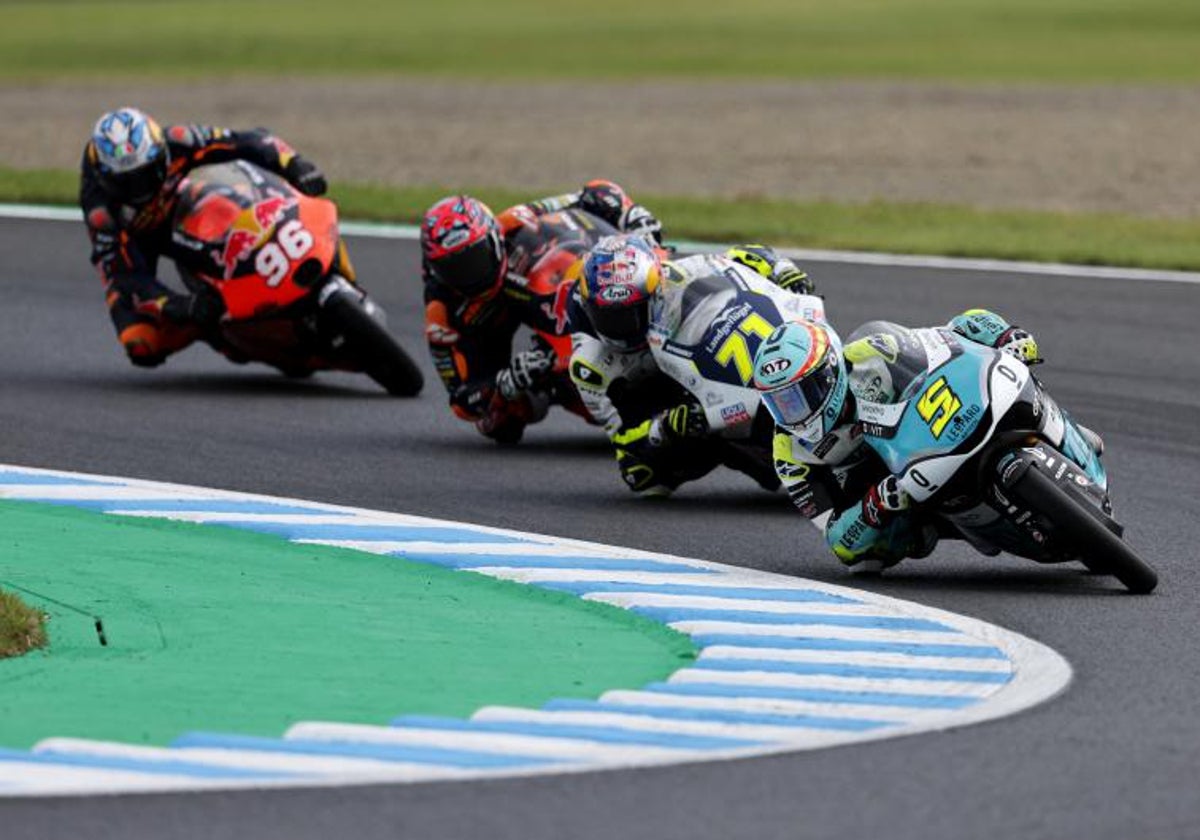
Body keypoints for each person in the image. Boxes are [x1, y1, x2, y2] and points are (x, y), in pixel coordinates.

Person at [751, 309, 1103, 571]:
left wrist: (1000, 339)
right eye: (779, 402)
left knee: (968, 324)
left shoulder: (872, 352)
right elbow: (838, 540)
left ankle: (1063, 427)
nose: (793, 412)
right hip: (898, 494)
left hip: (927, 432)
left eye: (799, 395)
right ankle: (964, 521)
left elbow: (941, 341)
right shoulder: (789, 454)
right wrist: (877, 503)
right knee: (863, 563)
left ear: (829, 372)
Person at [567, 234, 817, 496]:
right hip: (661, 406)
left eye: (634, 311)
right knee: (643, 477)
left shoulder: (671, 277)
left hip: (696, 360)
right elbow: (622, 438)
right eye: (611, 317)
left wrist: (785, 271)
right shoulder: (590, 366)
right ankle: (748, 451)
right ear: (588, 305)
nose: (625, 327)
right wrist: (664, 426)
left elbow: (745, 255)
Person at [81, 106, 329, 367]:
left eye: (145, 174)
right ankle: (220, 334)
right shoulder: (101, 213)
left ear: (160, 153)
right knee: (142, 343)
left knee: (231, 198)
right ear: (105, 178)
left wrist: (294, 163)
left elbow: (248, 139)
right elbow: (126, 277)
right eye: (126, 183)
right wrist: (178, 305)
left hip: (181, 203)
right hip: (136, 241)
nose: (139, 189)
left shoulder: (177, 139)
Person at [419, 181, 663, 444]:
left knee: (658, 276)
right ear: (435, 269)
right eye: (453, 268)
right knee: (498, 423)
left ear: (493, 236)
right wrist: (505, 382)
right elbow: (462, 399)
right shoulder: (441, 310)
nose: (471, 276)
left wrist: (632, 214)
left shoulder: (515, 219)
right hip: (499, 330)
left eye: (475, 259)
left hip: (578, 274)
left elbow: (598, 192)